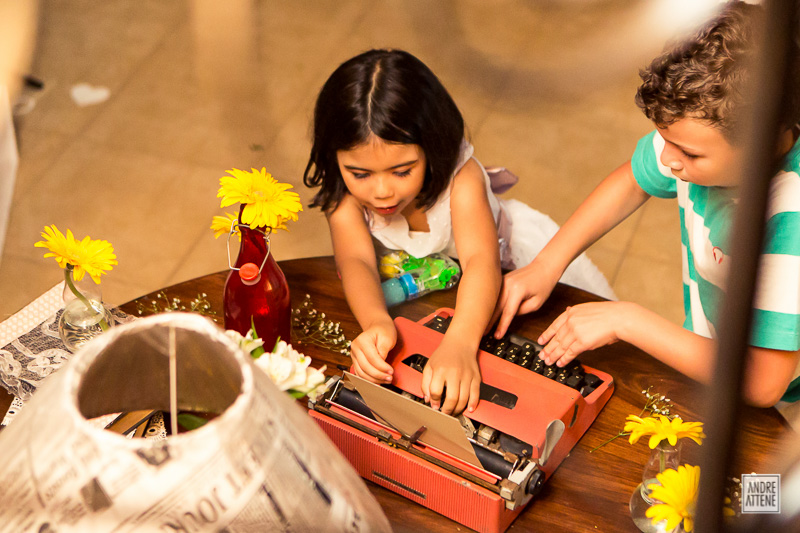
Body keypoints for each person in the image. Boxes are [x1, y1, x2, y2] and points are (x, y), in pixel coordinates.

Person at [492, 1, 800, 409]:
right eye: (664, 139)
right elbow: (632, 181)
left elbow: (761, 382)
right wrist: (549, 264)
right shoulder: (699, 134)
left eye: (687, 154)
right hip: (713, 349)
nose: (668, 160)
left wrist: (627, 320)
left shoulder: (788, 220)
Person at [304, 49, 613, 415]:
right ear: (333, 157)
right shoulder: (344, 198)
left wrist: (461, 344)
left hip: (508, 272)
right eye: (360, 174)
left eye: (402, 171)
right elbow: (355, 260)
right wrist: (375, 323)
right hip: (435, 287)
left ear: (432, 147)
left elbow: (481, 261)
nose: (381, 192)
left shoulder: (461, 179)